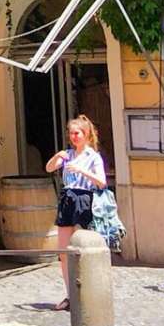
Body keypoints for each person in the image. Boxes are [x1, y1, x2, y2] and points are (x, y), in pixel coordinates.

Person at [45, 115, 107, 311]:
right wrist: (57, 157)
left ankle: (86, 291)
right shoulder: (67, 154)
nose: (74, 137)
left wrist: (81, 170)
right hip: (67, 199)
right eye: (71, 133)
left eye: (77, 133)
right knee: (64, 251)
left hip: (83, 199)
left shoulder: (92, 157)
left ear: (86, 134)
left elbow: (101, 182)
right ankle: (70, 294)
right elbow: (48, 168)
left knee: (82, 248)